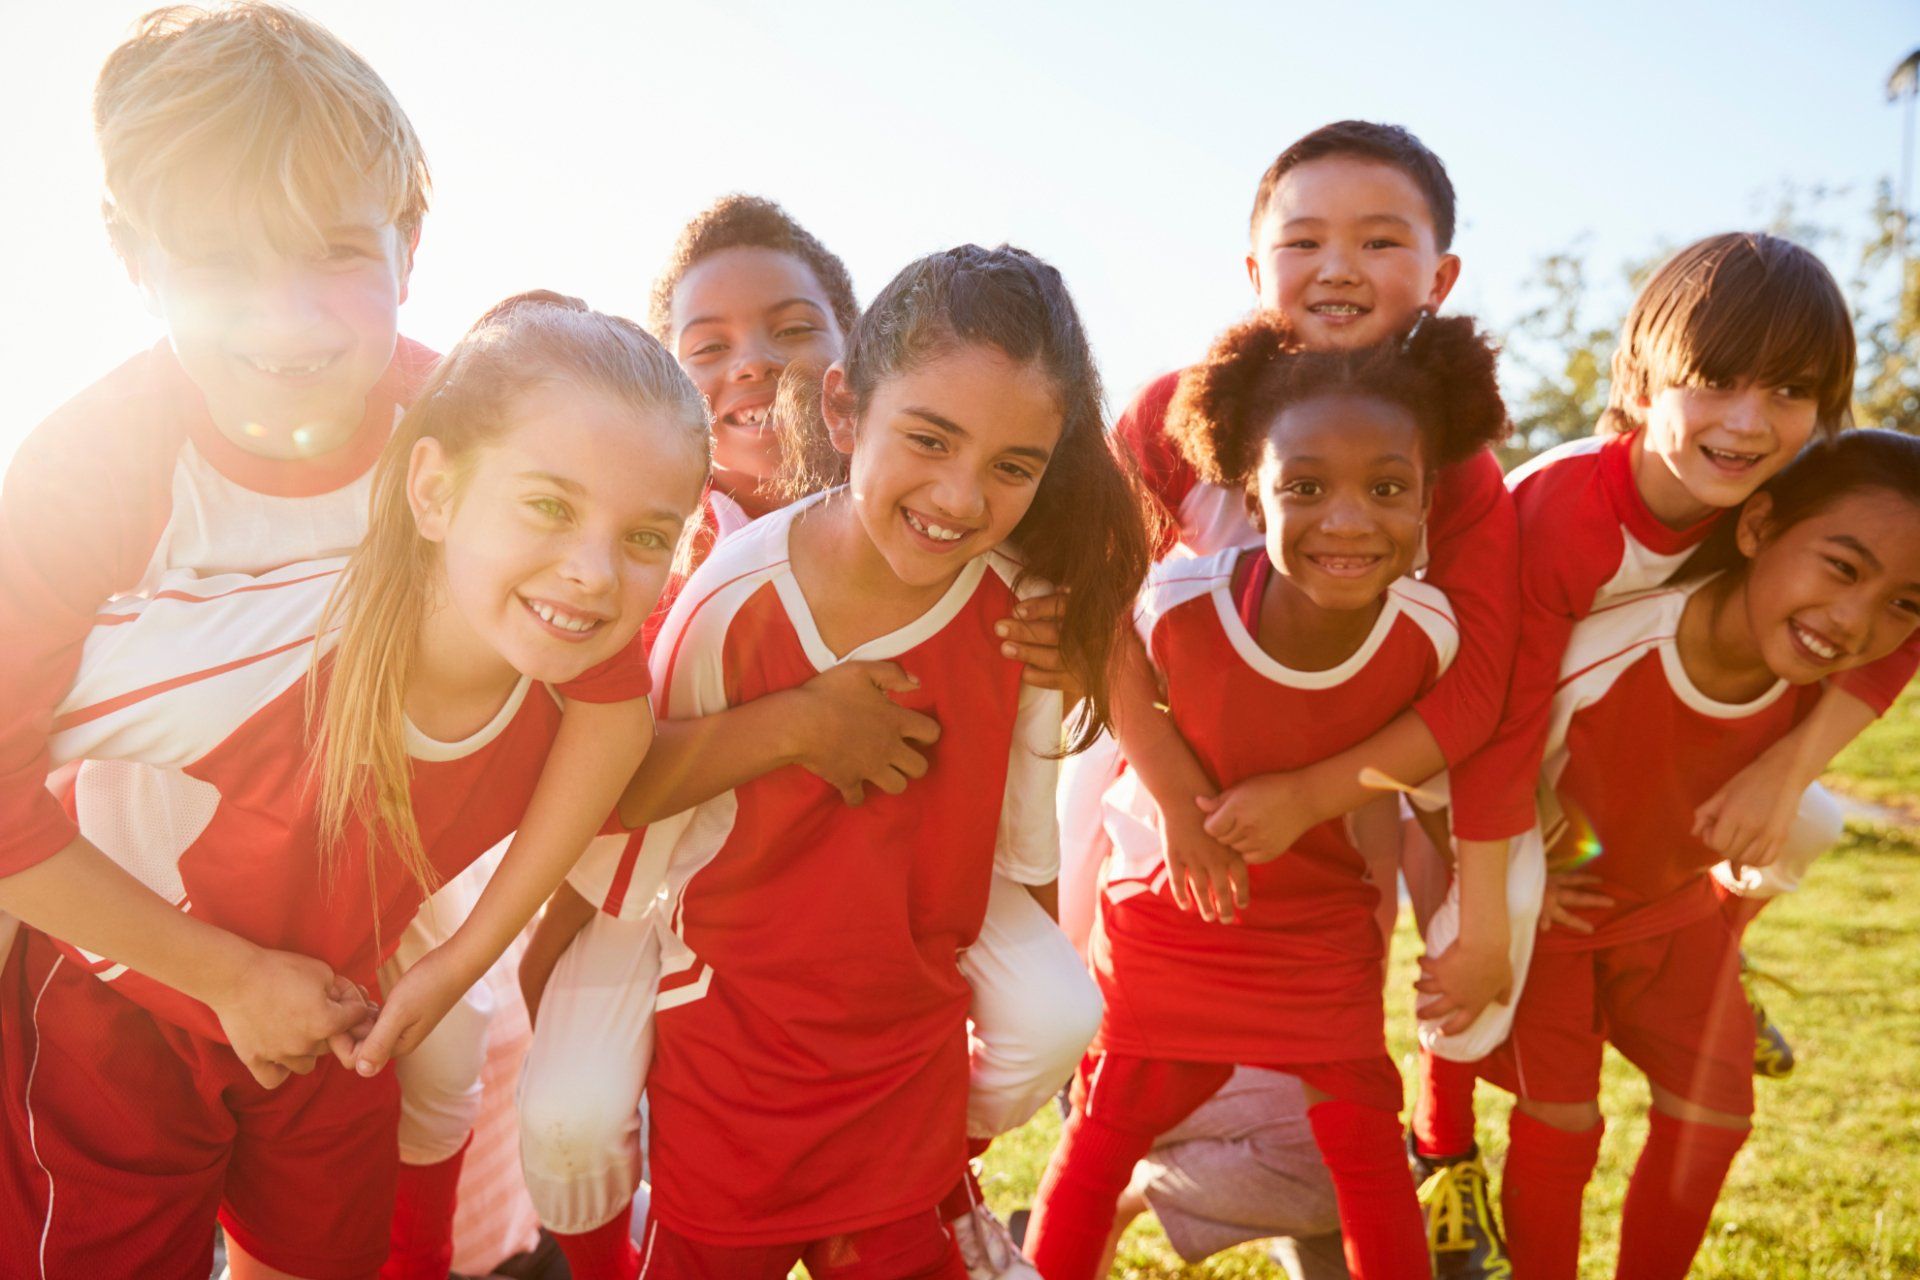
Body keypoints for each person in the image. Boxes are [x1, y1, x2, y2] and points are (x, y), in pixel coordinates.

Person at [0, 10, 668, 1275]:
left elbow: (608, 699)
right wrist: (225, 975)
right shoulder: (85, 473)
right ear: (133, 255)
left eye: (335, 251)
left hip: (342, 993)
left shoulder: (472, 433)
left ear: (411, 247)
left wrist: (463, 954)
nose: (285, 316)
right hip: (116, 985)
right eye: (218, 260)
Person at [517, 206, 1104, 1280]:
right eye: (708, 346)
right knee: (568, 1114)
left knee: (1059, 1011)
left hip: (899, 894)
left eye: (789, 328)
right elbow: (616, 797)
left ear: (835, 362)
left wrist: (1071, 648)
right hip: (674, 880)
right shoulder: (675, 546)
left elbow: (1022, 842)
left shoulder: (1000, 580)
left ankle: (929, 1181)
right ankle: (605, 1246)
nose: (753, 366)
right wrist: (799, 722)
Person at [1055, 118, 1519, 1274]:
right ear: (1255, 268)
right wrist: (1168, 789)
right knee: (1127, 1061)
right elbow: (1098, 605)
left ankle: (1427, 1168)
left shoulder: (1456, 462)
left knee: (1329, 1077)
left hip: (1347, 812)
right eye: (1304, 239)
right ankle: (1093, 1205)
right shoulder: (1177, 411)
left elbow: (1476, 691)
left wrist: (1315, 791)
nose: (1340, 267)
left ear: (1440, 275)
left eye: (1380, 239)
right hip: (1162, 793)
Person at [1411, 233, 1909, 1274]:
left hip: (1623, 770)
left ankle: (1720, 938)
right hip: (1457, 734)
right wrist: (1516, 872)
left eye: (1788, 390)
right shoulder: (1566, 518)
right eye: (1715, 379)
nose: (1747, 417)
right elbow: (1498, 727)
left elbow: (1902, 617)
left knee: (1803, 817)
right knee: (1483, 942)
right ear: (1642, 374)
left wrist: (1789, 762)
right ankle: (1441, 1137)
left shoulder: (1794, 497)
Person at [1480, 429, 1920, 1279]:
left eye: (1904, 601)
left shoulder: (1822, 669)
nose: (1855, 620)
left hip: (1670, 908)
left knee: (1718, 1111)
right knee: (1562, 1124)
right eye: (1842, 567)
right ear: (1755, 529)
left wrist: (1789, 774)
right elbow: (1490, 752)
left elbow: (1898, 647)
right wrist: (1528, 870)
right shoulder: (1616, 646)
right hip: (1559, 912)